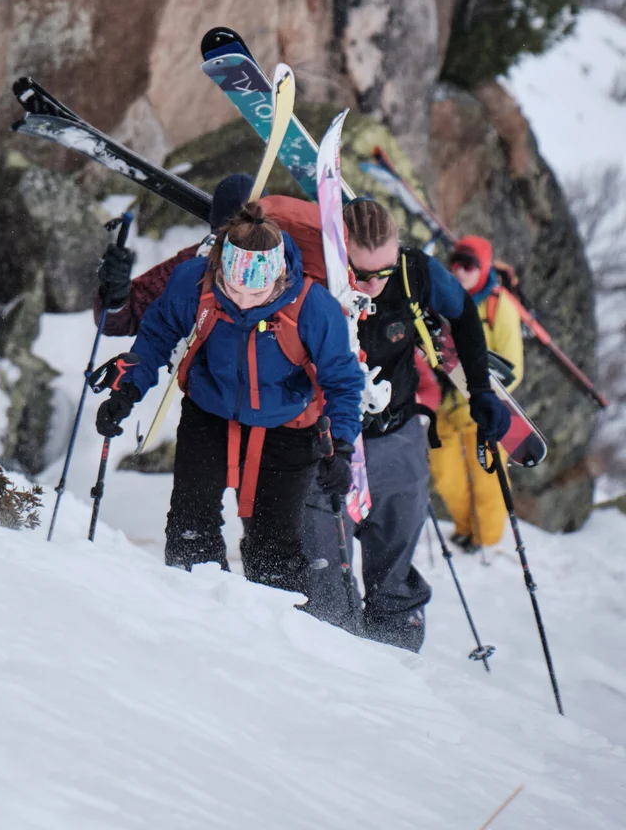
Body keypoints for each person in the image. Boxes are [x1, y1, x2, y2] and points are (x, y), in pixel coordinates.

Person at [92, 203, 366, 588]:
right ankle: (195, 611)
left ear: (280, 277)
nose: (243, 302)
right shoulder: (194, 282)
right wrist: (128, 390)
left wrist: (341, 445)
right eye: (233, 288)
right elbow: (156, 335)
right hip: (210, 410)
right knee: (190, 525)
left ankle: (272, 632)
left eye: (257, 292)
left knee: (274, 548)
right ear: (221, 269)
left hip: (288, 424)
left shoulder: (313, 306)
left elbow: (342, 379)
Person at [295, 201, 505, 648]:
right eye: (362, 273)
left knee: (393, 564)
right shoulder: (310, 273)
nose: (374, 285)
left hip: (397, 433)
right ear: (340, 252)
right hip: (326, 438)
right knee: (325, 570)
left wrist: (481, 389)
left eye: (384, 272)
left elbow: (464, 313)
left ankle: (398, 663)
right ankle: (330, 658)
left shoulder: (413, 273)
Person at [431, 235, 526, 549]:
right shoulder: (443, 297)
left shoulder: (500, 307)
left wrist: (478, 393)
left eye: (469, 264)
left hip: (483, 407)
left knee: (487, 477)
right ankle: (464, 527)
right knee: (446, 476)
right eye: (455, 262)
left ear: (483, 268)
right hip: (444, 405)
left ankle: (485, 537)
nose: (460, 270)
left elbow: (513, 367)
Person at [95, 173, 253, 335]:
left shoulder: (280, 269)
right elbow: (126, 319)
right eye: (230, 236)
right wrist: (115, 294)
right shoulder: (194, 265)